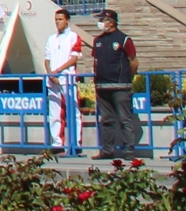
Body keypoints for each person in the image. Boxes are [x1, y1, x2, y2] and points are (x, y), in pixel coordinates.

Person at [90, 9, 143, 158]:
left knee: (124, 119)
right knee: (106, 119)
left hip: (120, 86)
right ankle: (107, 151)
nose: (100, 23)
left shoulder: (124, 39)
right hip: (102, 86)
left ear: (111, 22)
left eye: (102, 20)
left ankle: (129, 150)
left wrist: (127, 79)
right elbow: (96, 61)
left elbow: (133, 61)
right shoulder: (97, 40)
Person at [40, 14, 91, 155]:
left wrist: (58, 71)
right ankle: (57, 143)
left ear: (67, 20)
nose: (57, 22)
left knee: (73, 111)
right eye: (56, 19)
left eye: (60, 19)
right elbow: (46, 59)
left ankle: (76, 143)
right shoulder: (51, 38)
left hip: (67, 79)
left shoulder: (73, 36)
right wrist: (51, 73)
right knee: (54, 112)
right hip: (53, 80)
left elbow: (74, 58)